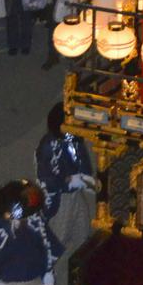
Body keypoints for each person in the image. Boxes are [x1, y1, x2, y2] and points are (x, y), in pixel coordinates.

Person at [35, 103, 95, 263]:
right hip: (61, 199)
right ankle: (43, 271)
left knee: (82, 228)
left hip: (75, 192)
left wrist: (82, 178)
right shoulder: (48, 147)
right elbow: (48, 180)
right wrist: (71, 182)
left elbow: (83, 162)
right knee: (58, 236)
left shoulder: (74, 140)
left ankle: (84, 261)